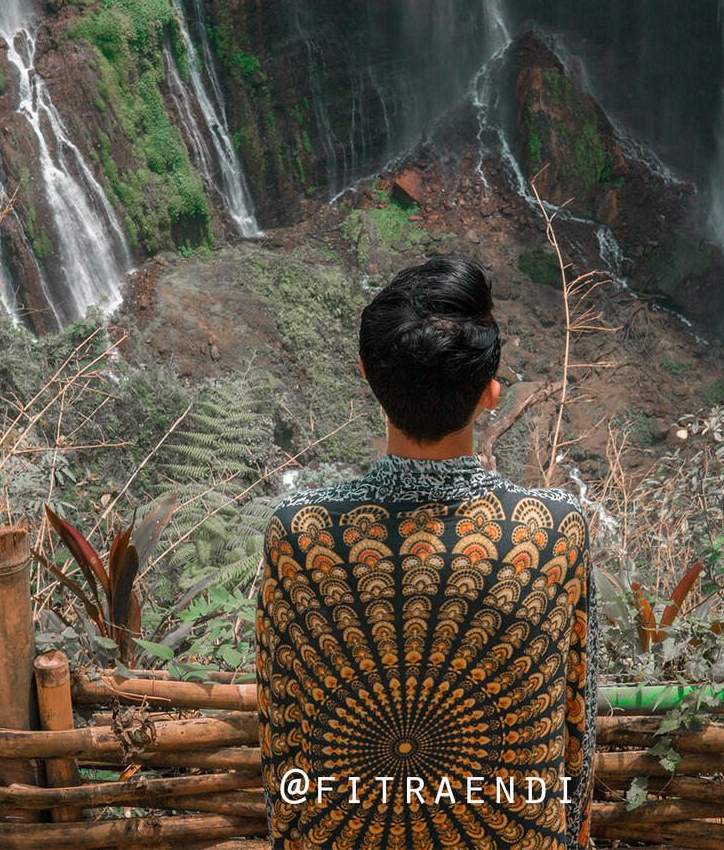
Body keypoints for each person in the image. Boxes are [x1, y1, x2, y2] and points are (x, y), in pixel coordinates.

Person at [255, 256, 598, 850]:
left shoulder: (299, 534)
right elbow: (576, 725)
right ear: (491, 394)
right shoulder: (553, 532)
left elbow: (281, 738)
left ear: (366, 373)